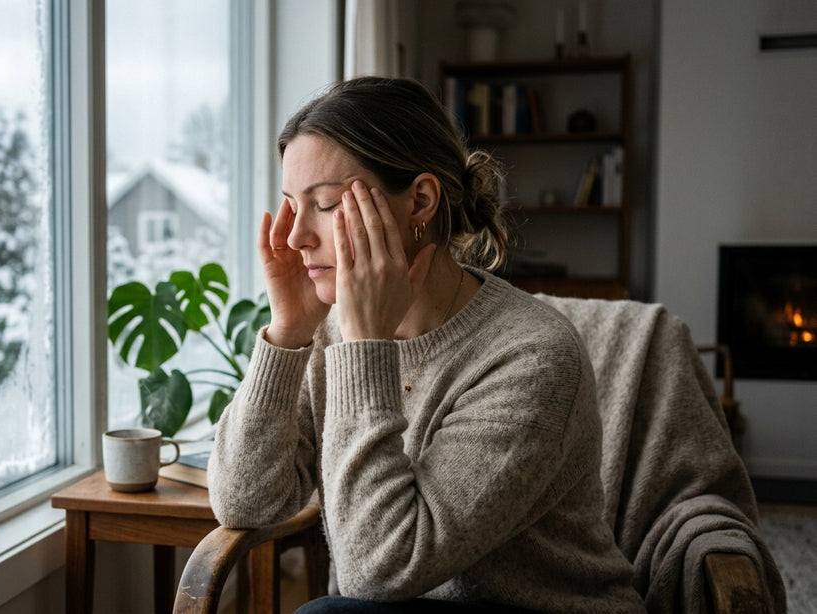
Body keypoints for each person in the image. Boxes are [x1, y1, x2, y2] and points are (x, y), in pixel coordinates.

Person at [207, 76, 645, 614]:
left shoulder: (532, 355)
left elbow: (378, 571)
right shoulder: (329, 334)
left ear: (419, 200)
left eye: (323, 204)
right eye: (291, 206)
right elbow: (245, 501)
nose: (296, 237)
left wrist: (365, 345)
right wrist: (288, 334)